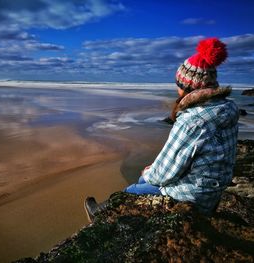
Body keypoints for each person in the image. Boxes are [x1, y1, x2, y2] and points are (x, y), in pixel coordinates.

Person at [85, 38, 239, 220]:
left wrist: (149, 173)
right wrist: (150, 173)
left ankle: (101, 215)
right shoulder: (226, 109)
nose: (176, 89)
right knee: (145, 179)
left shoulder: (193, 120)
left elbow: (165, 173)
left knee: (132, 191)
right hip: (212, 189)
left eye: (178, 85)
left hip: (194, 196)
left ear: (187, 86)